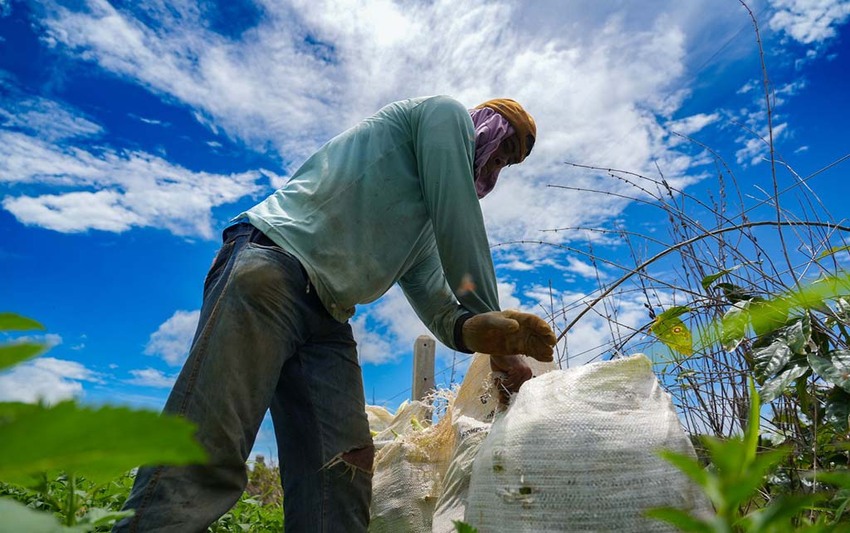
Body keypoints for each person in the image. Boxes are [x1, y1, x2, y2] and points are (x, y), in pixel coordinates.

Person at [114, 95, 557, 532]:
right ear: (484, 126)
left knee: (341, 474)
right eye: (501, 150)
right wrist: (499, 345)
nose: (495, 169)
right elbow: (459, 220)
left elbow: (439, 303)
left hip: (328, 318)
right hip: (270, 269)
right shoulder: (445, 114)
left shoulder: (420, 230)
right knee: (206, 452)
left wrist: (476, 331)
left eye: (506, 164)